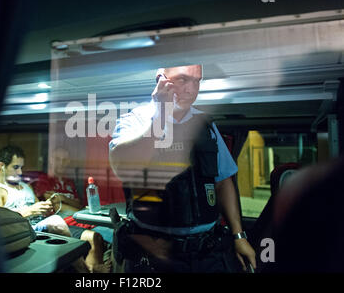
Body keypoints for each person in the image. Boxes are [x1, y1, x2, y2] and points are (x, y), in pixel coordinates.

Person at [109, 64, 256, 272]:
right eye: (182, 80)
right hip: (154, 257)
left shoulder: (205, 125)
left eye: (197, 81)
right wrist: (160, 116)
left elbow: (223, 182)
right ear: (161, 79)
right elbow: (121, 167)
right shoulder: (135, 120)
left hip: (208, 252)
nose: (191, 89)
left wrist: (238, 235)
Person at [0, 145, 109, 273]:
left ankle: (92, 271)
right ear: (2, 166)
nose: (20, 173)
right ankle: (85, 270)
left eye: (21, 168)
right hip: (26, 231)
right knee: (56, 222)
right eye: (15, 168)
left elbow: (39, 207)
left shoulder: (26, 186)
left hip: (44, 224)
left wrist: (45, 207)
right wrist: (28, 211)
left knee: (93, 237)